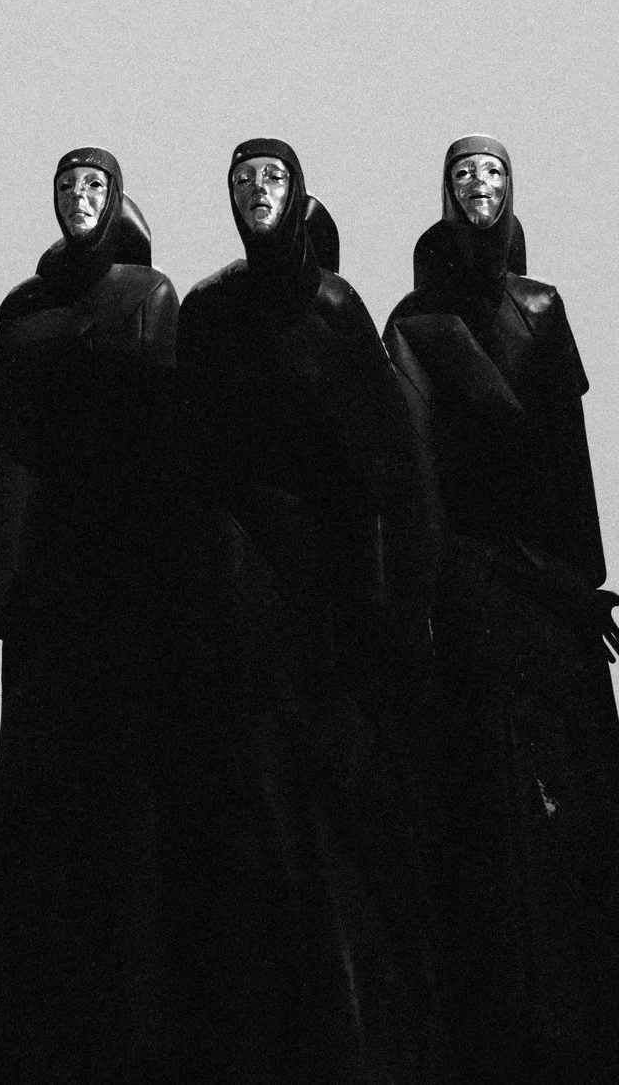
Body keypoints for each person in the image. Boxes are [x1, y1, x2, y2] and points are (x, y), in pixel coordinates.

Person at [169, 137, 435, 1084]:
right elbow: (183, 444)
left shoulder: (334, 307)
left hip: (323, 565)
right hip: (234, 555)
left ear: (299, 192)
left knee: (333, 769)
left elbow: (384, 452)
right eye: (240, 180)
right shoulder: (205, 306)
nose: (255, 193)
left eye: (271, 177)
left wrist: (383, 580)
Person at [383, 134, 619, 1081]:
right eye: (461, 177)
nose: (477, 188)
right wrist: (426, 583)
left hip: (555, 582)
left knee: (573, 768)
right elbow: (413, 472)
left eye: (490, 174)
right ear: (444, 198)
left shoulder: (544, 307)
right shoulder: (415, 322)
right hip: (472, 570)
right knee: (493, 772)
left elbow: (572, 455)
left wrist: (587, 578)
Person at [0, 146, 179, 1083]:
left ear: (116, 199)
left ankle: (127, 992)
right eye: (66, 188)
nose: (79, 199)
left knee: (122, 773)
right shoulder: (23, 309)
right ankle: (23, 979)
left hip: (124, 559)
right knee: (34, 760)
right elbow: (7, 448)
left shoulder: (151, 295)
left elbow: (174, 441)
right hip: (47, 570)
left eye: (94, 186)